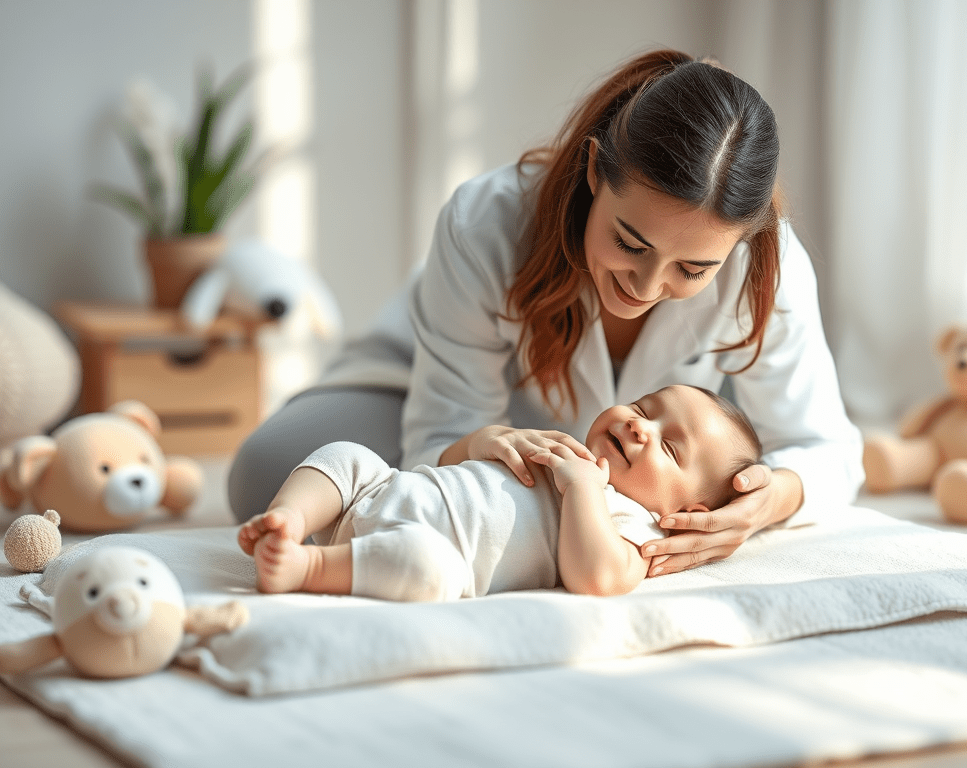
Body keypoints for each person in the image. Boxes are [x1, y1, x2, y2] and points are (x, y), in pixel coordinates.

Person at [229, 48, 865, 576]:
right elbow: (445, 432)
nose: (646, 285)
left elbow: (825, 447)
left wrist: (770, 500)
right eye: (630, 243)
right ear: (594, 172)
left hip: (612, 441)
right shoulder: (485, 221)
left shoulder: (765, 262)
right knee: (267, 473)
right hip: (434, 384)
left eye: (692, 270)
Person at [237, 385, 762, 599]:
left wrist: (583, 493)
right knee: (348, 456)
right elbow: (442, 461)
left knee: (431, 572)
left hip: (424, 547)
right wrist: (481, 441)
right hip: (388, 491)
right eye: (645, 409)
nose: (638, 428)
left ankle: (307, 569)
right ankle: (290, 518)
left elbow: (598, 578)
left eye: (669, 449)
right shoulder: (563, 448)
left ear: (687, 513)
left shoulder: (636, 529)